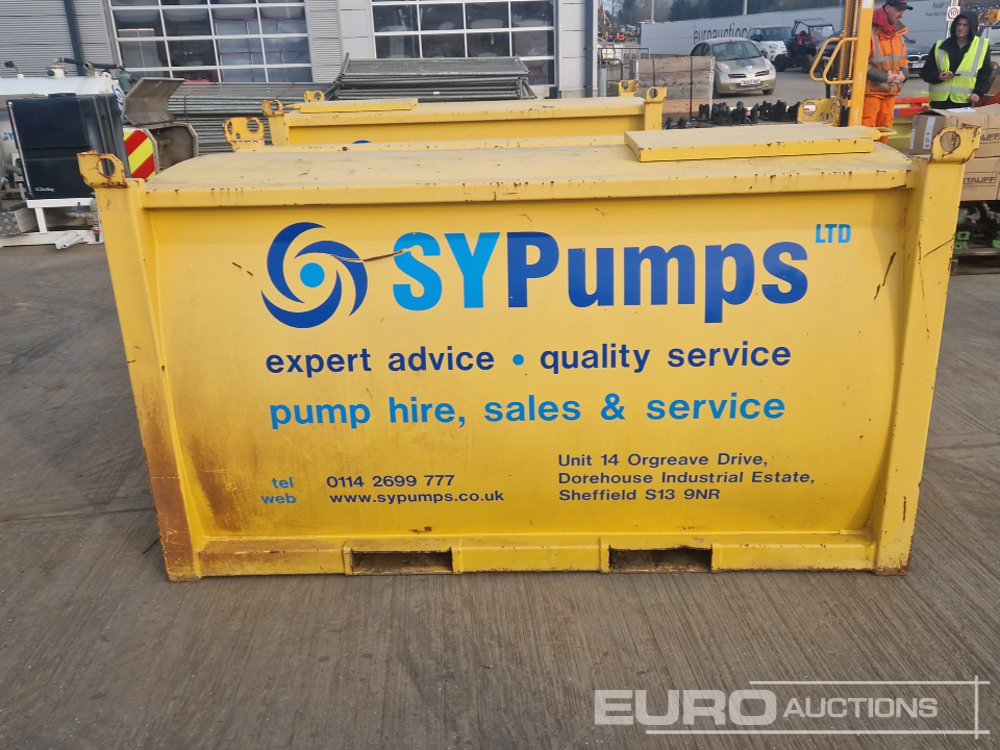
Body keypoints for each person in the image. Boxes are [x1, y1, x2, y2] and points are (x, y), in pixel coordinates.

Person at [920, 13, 992, 108]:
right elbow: (925, 72)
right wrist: (938, 76)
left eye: (965, 25)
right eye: (958, 24)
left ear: (972, 27)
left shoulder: (982, 45)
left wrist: (978, 92)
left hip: (964, 101)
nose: (960, 28)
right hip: (939, 102)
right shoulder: (939, 45)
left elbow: (985, 73)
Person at [864, 0, 911, 135]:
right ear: (888, 8)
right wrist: (885, 77)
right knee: (866, 130)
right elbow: (860, 65)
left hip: (890, 93)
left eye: (903, 11)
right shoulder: (869, 32)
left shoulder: (898, 35)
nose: (901, 15)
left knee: (886, 130)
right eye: (899, 10)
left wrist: (904, 75)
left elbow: (904, 61)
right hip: (871, 94)